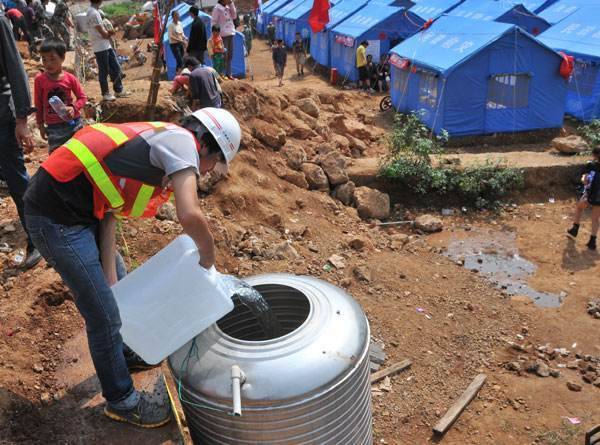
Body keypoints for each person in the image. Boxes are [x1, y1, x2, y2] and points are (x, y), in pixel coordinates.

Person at [24, 107, 242, 428]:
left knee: (120, 290)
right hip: (56, 218)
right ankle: (122, 401)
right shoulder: (183, 145)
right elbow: (190, 214)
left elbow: (110, 209)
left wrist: (112, 277)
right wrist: (208, 255)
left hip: (85, 214)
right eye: (214, 165)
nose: (208, 172)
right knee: (103, 314)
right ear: (208, 146)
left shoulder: (163, 140)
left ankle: (121, 354)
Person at [0, 10, 41, 269]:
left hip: (2, 113)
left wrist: (22, 119)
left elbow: (16, 69)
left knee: (16, 179)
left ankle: (37, 238)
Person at [34, 38, 86, 152]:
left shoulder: (70, 78)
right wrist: (41, 125)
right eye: (44, 59)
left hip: (74, 124)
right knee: (57, 156)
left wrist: (73, 108)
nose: (48, 63)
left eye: (52, 59)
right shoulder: (39, 80)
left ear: (62, 58)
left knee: (79, 154)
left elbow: (82, 98)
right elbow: (38, 104)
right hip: (53, 128)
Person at [87, 0, 128, 101]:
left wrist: (109, 33)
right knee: (104, 71)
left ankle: (118, 90)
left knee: (116, 67)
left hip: (105, 45)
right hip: (100, 47)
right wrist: (113, 32)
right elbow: (104, 34)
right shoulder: (94, 13)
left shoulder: (93, 11)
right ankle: (105, 93)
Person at [567, 147, 600, 250]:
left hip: (589, 194)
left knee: (579, 208)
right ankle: (592, 241)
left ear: (594, 155)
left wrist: (583, 180)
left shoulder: (591, 165)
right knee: (595, 219)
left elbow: (585, 180)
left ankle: (575, 229)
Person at [211, 0, 236, 79]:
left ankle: (229, 73)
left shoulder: (228, 7)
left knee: (230, 55)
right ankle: (222, 74)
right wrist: (215, 35)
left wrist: (231, 3)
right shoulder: (217, 9)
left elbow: (234, 16)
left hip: (230, 33)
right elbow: (214, 22)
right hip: (222, 35)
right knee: (223, 55)